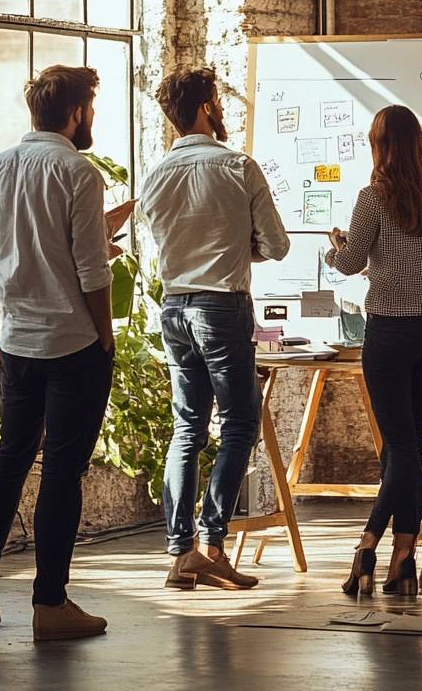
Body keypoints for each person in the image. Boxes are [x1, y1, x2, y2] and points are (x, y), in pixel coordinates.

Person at [0, 66, 116, 642]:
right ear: (75, 112)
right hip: (73, 343)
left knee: (9, 463)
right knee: (62, 472)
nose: (91, 118)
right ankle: (50, 604)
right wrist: (106, 334)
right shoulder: (78, 171)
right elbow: (92, 271)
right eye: (91, 109)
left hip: (17, 344)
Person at [138, 66, 290, 591]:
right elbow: (277, 246)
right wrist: (237, 246)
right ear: (206, 106)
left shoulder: (155, 175)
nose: (221, 108)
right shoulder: (237, 166)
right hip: (222, 308)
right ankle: (213, 544)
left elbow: (160, 241)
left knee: (187, 429)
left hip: (174, 307)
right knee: (240, 425)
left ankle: (180, 555)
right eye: (218, 100)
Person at [326, 104, 422, 598]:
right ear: (418, 144)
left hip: (392, 334)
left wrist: (337, 246)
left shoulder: (373, 198)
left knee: (403, 449)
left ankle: (367, 547)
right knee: (408, 445)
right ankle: (402, 559)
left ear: (380, 147)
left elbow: (350, 263)